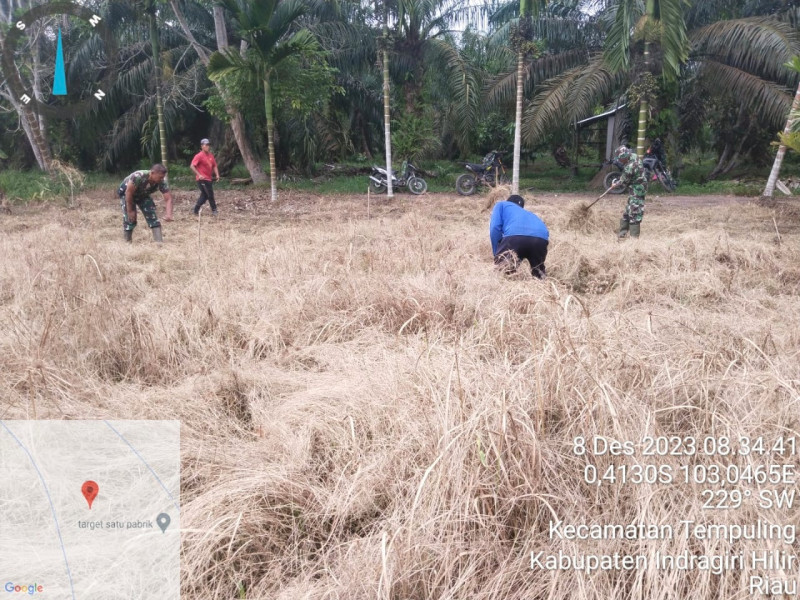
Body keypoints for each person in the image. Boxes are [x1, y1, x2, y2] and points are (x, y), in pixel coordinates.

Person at [489, 194, 549, 279]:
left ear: (508, 202)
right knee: (539, 273)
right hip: (541, 239)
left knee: (503, 273)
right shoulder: (530, 214)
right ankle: (542, 283)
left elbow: (495, 227)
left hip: (515, 237)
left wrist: (497, 253)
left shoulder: (501, 205)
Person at [117, 164, 173, 243]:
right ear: (152, 173)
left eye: (163, 177)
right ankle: (127, 242)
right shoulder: (138, 176)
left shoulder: (161, 182)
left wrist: (169, 214)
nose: (162, 179)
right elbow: (128, 192)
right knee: (130, 219)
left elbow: (168, 198)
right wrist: (130, 211)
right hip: (127, 194)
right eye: (160, 177)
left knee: (152, 216)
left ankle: (159, 243)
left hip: (143, 194)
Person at [612, 145, 648, 239]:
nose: (620, 161)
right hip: (635, 189)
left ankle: (634, 239)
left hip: (638, 191)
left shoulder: (630, 167)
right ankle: (622, 235)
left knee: (634, 213)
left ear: (624, 157)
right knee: (627, 212)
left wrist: (615, 184)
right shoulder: (634, 156)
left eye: (620, 159)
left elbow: (624, 181)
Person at [191, 138, 220, 216]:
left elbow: (214, 166)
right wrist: (199, 174)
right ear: (202, 146)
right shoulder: (199, 156)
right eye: (206, 145)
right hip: (202, 179)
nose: (207, 146)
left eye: (208, 145)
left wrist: (217, 175)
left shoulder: (211, 156)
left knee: (205, 195)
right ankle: (214, 210)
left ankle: (196, 209)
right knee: (209, 194)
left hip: (209, 179)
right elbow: (192, 166)